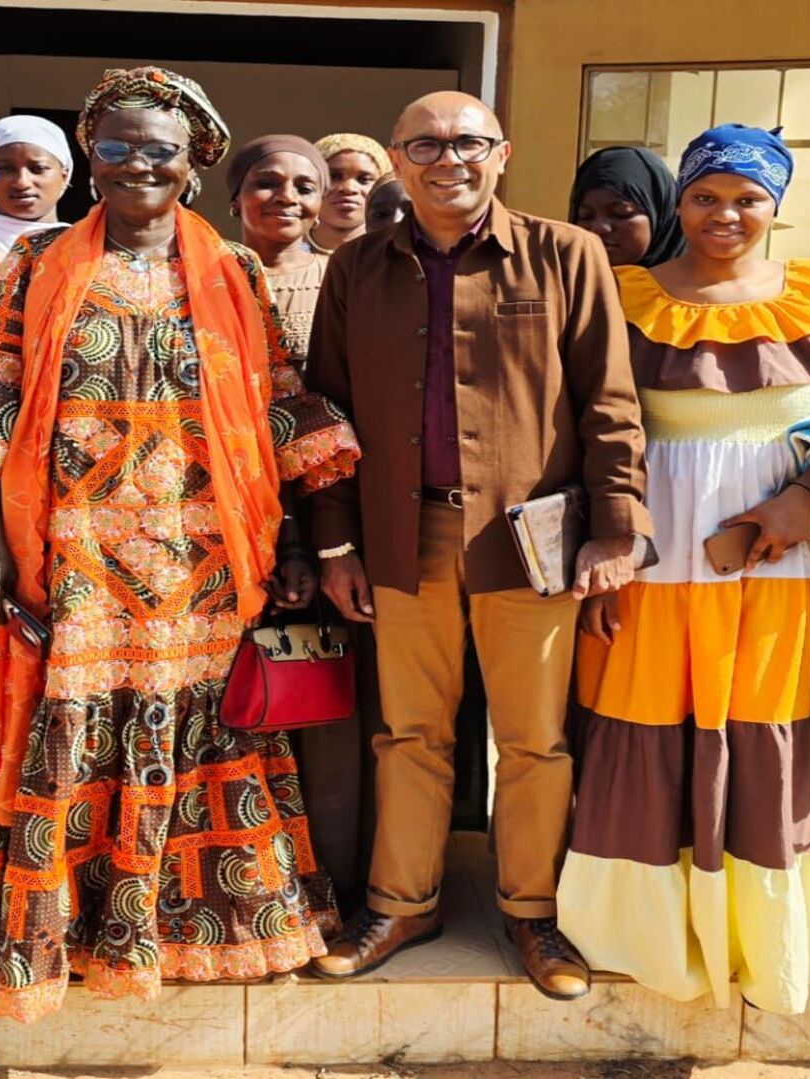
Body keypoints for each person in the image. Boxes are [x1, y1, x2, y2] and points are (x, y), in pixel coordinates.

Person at [0, 67, 360, 1021]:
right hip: (76, 550)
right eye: (115, 147)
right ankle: (71, 934)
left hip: (209, 554)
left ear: (194, 163)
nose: (137, 164)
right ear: (90, 157)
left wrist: (300, 546)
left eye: (161, 149)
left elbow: (281, 402)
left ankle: (207, 928)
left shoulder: (233, 269)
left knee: (205, 722)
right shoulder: (34, 262)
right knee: (77, 724)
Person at [304, 90, 651, 1001]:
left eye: (466, 142)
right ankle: (402, 901)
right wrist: (336, 545)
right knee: (408, 733)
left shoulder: (565, 255)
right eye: (423, 142)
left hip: (527, 538)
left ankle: (532, 911)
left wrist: (616, 530)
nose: (446, 157)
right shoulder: (355, 269)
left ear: (502, 153)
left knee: (533, 740)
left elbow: (610, 405)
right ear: (394, 156)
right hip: (399, 531)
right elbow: (325, 416)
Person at [554, 124, 810, 1014]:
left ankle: (762, 934)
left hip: (775, 558)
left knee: (763, 721)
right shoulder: (625, 296)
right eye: (705, 196)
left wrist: (805, 497)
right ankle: (644, 930)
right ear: (680, 203)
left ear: (775, 207)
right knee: (641, 719)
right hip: (648, 555)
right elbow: (581, 430)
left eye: (747, 198)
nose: (724, 215)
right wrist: (599, 552)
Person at [227, 135, 330, 367]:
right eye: (267, 184)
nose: (287, 197)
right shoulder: (204, 277)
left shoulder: (342, 277)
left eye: (305, 189)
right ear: (236, 199)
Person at [0, 115, 73, 253]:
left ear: (64, 176)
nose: (22, 183)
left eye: (38, 169)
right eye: (6, 169)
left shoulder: (89, 255)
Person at [568, 145, 686, 268]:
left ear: (661, 215)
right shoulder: (561, 282)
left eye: (621, 213)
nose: (598, 228)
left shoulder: (696, 285)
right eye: (585, 216)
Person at [310, 132, 390, 254]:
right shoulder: (280, 249)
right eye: (334, 176)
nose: (349, 188)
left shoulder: (395, 253)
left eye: (364, 180)